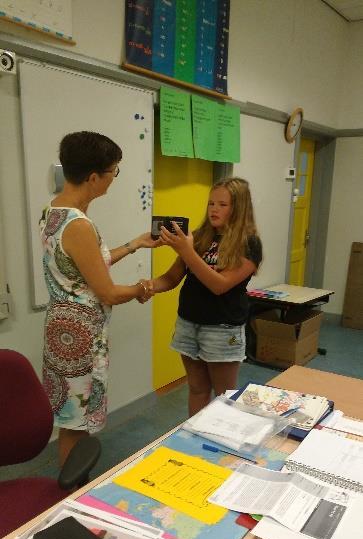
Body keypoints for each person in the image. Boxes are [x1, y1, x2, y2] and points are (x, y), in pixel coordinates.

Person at [40, 131, 157, 465]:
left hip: (63, 328)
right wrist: (141, 289)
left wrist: (134, 244)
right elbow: (106, 291)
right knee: (76, 424)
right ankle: (70, 491)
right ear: (94, 177)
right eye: (113, 172)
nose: (113, 179)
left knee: (70, 419)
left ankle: (69, 483)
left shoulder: (53, 211)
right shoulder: (78, 224)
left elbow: (85, 267)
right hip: (79, 337)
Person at [149, 177, 262, 416]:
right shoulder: (199, 237)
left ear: (238, 208)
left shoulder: (249, 243)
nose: (214, 209)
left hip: (222, 329)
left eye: (223, 204)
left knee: (225, 397)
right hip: (188, 324)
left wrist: (187, 251)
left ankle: (222, 446)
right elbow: (171, 278)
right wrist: (142, 287)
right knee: (197, 389)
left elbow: (219, 285)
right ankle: (194, 438)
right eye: (211, 203)